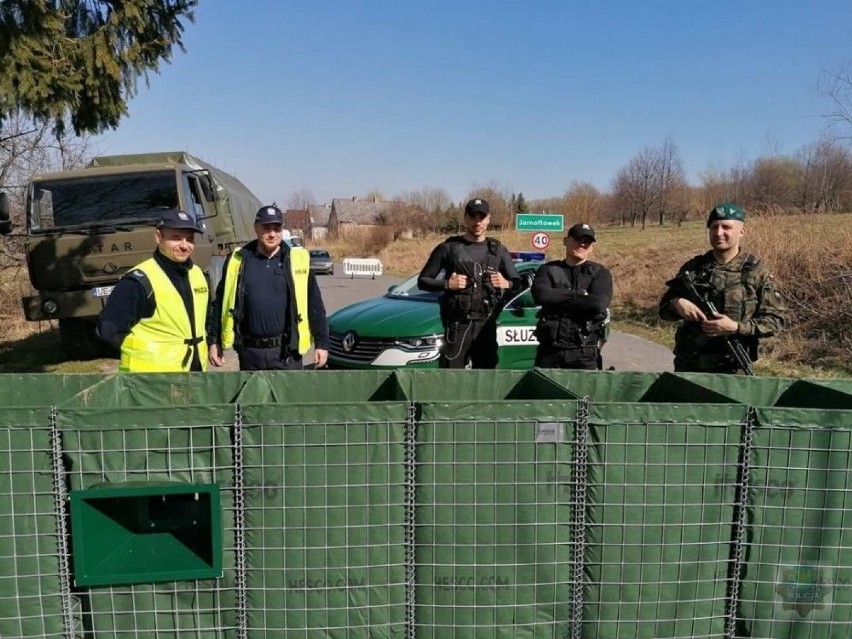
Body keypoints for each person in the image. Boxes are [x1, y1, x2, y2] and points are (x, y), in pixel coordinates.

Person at [658, 202, 787, 373]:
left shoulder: (756, 272)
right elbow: (664, 309)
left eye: (726, 227)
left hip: (733, 368)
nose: (719, 233)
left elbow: (775, 320)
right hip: (689, 367)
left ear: (741, 232)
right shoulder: (693, 268)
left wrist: (736, 327)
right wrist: (677, 304)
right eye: (714, 227)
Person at [208, 205, 329, 370]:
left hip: (287, 354)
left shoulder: (295, 260)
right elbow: (220, 303)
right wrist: (214, 341)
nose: (272, 233)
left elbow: (315, 305)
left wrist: (321, 343)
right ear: (256, 229)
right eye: (266, 227)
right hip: (250, 354)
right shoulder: (238, 260)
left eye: (277, 228)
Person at [96, 208, 209, 372]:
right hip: (150, 382)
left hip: (195, 374)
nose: (185, 246)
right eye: (176, 238)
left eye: (190, 239)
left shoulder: (197, 274)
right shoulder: (138, 281)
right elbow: (109, 332)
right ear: (158, 237)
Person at [417, 198, 521, 368]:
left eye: (482, 217)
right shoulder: (448, 248)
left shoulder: (498, 251)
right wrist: (447, 285)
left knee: (485, 381)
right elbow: (423, 281)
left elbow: (519, 284)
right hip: (458, 326)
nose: (477, 222)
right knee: (451, 381)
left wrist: (507, 284)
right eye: (473, 216)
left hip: (486, 327)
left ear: (488, 219)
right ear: (465, 218)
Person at [530, 223, 612, 369]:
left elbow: (597, 304)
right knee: (544, 392)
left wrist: (556, 298)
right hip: (550, 351)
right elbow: (541, 295)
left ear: (591, 247)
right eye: (578, 239)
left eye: (587, 242)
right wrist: (578, 294)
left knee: (584, 393)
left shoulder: (600, 273)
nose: (582, 244)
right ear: (565, 241)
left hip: (584, 352)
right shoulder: (548, 269)